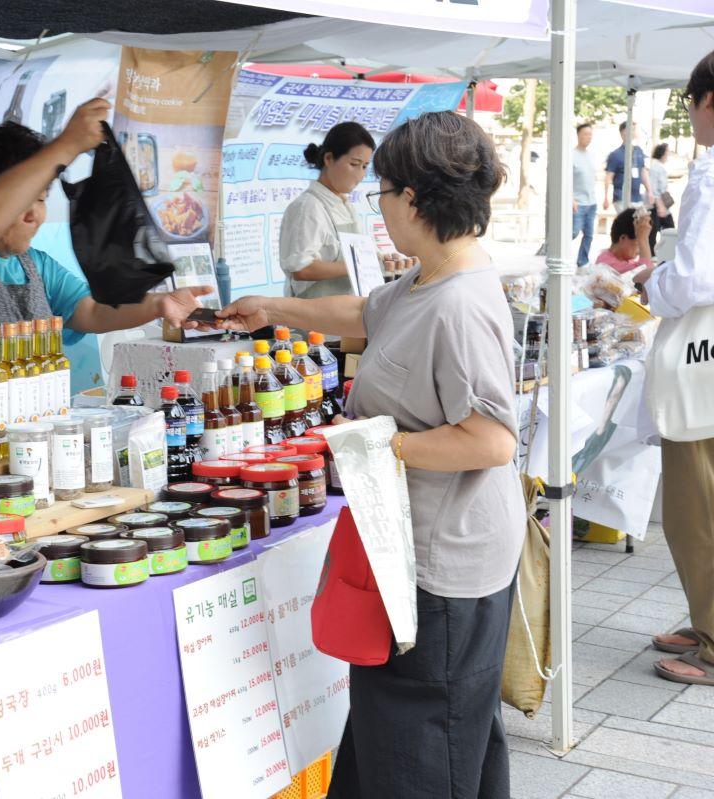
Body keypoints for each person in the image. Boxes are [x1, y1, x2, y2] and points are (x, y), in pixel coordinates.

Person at [217, 111, 522, 797]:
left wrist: (370, 445)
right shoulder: (429, 278)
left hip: (443, 566)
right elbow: (364, 312)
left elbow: (492, 439)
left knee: (423, 745)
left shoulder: (460, 302)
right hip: (415, 551)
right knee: (426, 736)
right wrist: (272, 308)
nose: (376, 204)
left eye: (380, 190)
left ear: (413, 200)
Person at [0, 98, 209, 454]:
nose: (34, 216)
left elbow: (91, 312)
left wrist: (158, 304)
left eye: (41, 199)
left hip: (21, 463)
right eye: (22, 201)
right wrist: (67, 144)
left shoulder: (34, 264)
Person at [635, 50, 714, 687]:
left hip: (701, 361)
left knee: (696, 509)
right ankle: (705, 618)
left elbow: (693, 279)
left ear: (706, 101)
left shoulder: (713, 175)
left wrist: (652, 283)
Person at [278, 122, 411, 300]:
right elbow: (301, 268)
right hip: (313, 316)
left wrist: (378, 260)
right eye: (354, 164)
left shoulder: (345, 205)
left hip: (343, 311)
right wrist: (360, 263)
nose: (360, 174)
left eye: (364, 166)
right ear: (329, 159)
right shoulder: (308, 207)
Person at [605, 121, 654, 212]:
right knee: (627, 223)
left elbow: (643, 172)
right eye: (633, 129)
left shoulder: (638, 151)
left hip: (637, 197)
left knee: (639, 222)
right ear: (624, 132)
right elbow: (609, 176)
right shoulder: (615, 154)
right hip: (621, 198)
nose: (635, 132)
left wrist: (649, 191)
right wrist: (606, 197)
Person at [595, 208, 653, 276]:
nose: (640, 251)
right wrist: (643, 240)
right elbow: (647, 276)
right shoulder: (606, 264)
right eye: (638, 244)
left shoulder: (625, 261)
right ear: (622, 238)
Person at [573, 122, 599, 266]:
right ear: (578, 135)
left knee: (589, 235)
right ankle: (554, 249)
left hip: (591, 202)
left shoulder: (591, 155)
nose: (588, 137)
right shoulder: (572, 155)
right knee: (573, 232)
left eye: (590, 134)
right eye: (585, 134)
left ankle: (582, 261)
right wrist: (570, 199)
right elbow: (566, 179)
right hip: (578, 202)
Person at [649, 142, 676, 253]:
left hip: (662, 202)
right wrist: (660, 206)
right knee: (662, 229)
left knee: (663, 229)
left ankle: (664, 252)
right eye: (667, 153)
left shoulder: (659, 167)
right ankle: (660, 253)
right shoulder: (656, 168)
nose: (668, 155)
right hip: (658, 203)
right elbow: (654, 188)